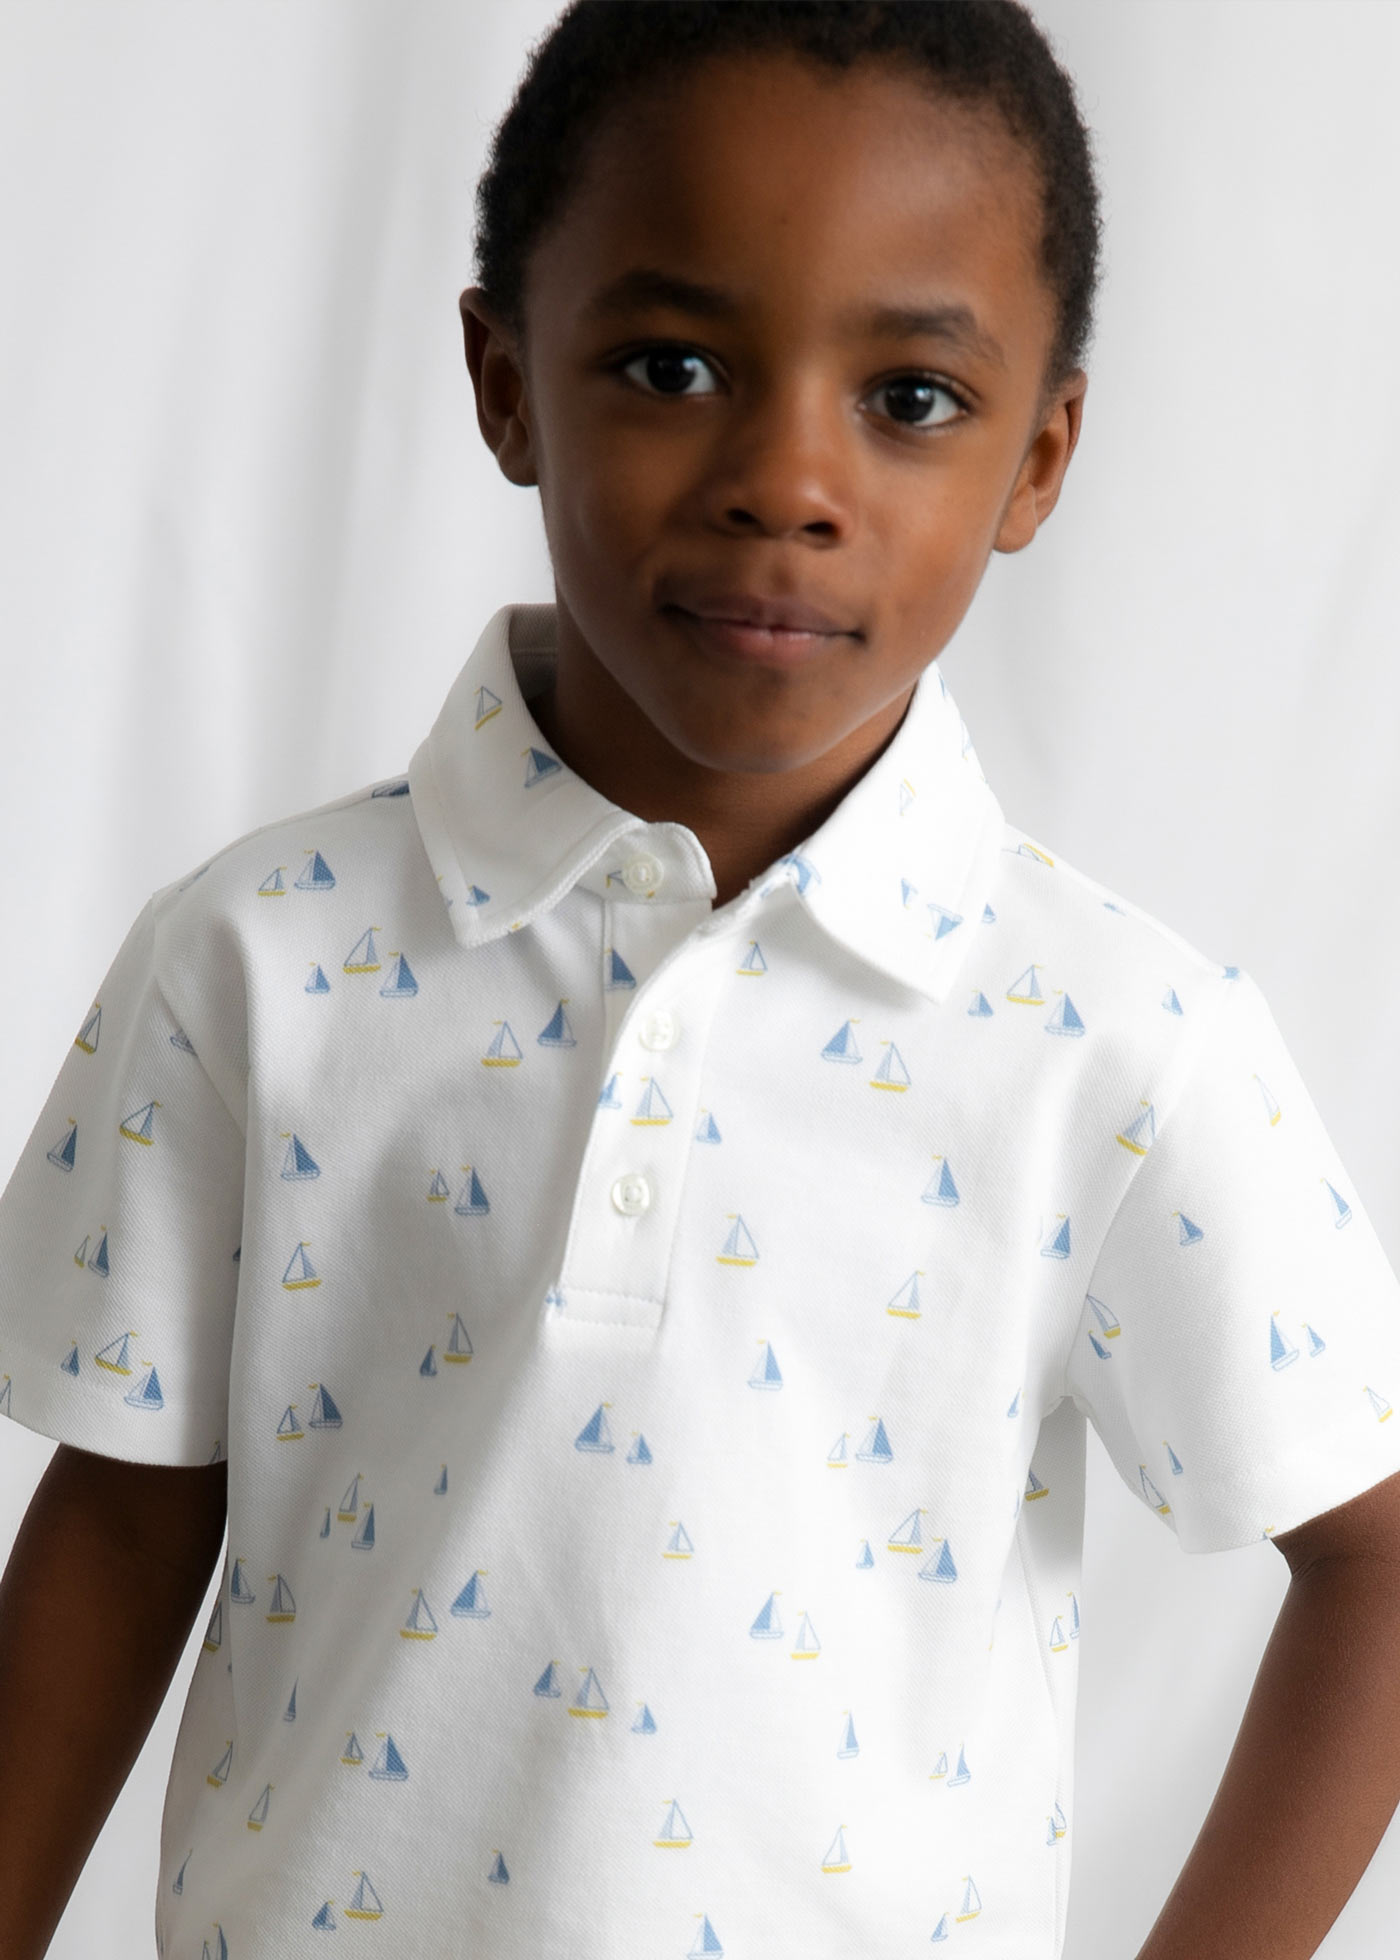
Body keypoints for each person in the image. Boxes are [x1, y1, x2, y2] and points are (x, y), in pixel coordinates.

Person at [2, 2, 1400, 1955]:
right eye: (673, 366)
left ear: (1039, 458)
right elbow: (125, 1515)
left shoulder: (1122, 1044)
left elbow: (1374, 1557)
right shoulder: (252, 956)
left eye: (909, 396)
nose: (784, 479)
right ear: (507, 383)